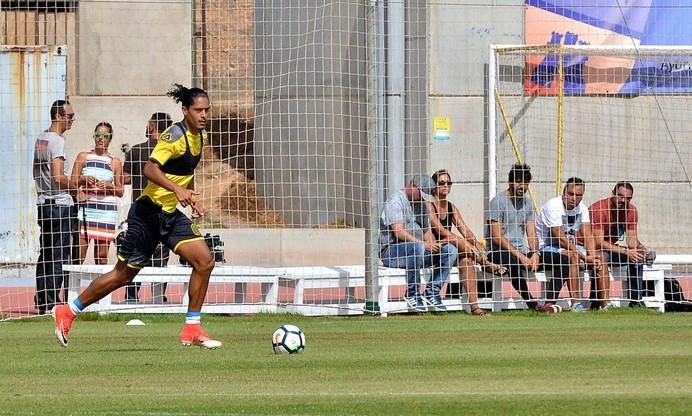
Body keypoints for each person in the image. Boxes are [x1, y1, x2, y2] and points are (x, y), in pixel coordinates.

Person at [52, 84, 221, 348]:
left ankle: (192, 328)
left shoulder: (201, 137)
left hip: (169, 215)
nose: (203, 115)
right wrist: (177, 189)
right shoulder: (173, 136)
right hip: (146, 215)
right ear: (185, 110)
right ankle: (68, 311)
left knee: (205, 261)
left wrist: (189, 196)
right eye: (198, 110)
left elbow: (183, 171)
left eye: (206, 110)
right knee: (122, 276)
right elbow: (150, 169)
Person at [427, 169, 505, 316]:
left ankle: (475, 308)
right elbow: (442, 232)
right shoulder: (429, 206)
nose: (446, 186)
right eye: (442, 183)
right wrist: (466, 244)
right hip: (434, 247)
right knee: (456, 240)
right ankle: (486, 264)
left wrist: (476, 244)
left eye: (449, 183)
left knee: (467, 261)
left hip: (451, 250)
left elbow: (465, 230)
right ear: (434, 186)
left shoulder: (451, 207)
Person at [379, 174, 458, 312]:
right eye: (421, 192)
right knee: (416, 247)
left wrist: (433, 246)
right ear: (413, 186)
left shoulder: (421, 205)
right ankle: (412, 293)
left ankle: (432, 291)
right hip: (392, 252)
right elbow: (398, 232)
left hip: (417, 252)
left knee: (450, 250)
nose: (423, 197)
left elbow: (427, 232)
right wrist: (423, 244)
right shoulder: (396, 200)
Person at [535, 177, 609, 311]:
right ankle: (576, 303)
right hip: (547, 247)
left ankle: (605, 305)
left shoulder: (582, 209)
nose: (574, 198)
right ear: (564, 193)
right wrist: (584, 257)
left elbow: (588, 235)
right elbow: (560, 238)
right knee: (573, 256)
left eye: (578, 195)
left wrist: (592, 256)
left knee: (601, 258)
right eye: (570, 194)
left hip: (570, 247)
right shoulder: (553, 206)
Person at [123, 112, 173, 303]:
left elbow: (124, 178)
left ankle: (131, 297)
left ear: (152, 126)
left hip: (140, 211)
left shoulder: (136, 151)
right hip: (163, 211)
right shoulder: (170, 153)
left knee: (135, 254)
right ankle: (158, 297)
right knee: (160, 258)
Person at [33, 99, 77, 315]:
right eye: (69, 116)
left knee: (46, 253)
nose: (72, 120)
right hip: (59, 203)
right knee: (59, 254)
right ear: (58, 116)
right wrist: (77, 188)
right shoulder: (57, 141)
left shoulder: (41, 138)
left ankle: (42, 299)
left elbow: (36, 171)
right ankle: (52, 302)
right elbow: (58, 176)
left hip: (43, 203)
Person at [486, 164, 546, 312]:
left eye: (526, 182)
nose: (522, 186)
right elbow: (496, 237)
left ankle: (550, 303)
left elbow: (531, 233)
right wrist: (522, 257)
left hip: (521, 251)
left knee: (559, 259)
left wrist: (535, 254)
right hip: (497, 252)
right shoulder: (498, 202)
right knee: (514, 262)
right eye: (519, 181)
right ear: (510, 182)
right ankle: (532, 304)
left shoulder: (527, 203)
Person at [588, 182, 654, 307]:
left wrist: (641, 249)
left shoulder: (631, 210)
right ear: (613, 193)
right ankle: (597, 302)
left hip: (611, 249)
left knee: (637, 257)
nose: (623, 201)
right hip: (590, 248)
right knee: (601, 257)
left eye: (628, 198)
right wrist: (626, 252)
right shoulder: (599, 210)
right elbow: (598, 242)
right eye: (620, 196)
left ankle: (636, 302)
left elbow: (631, 241)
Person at [70, 122, 124, 265]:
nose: (101, 139)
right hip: (86, 210)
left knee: (101, 257)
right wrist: (83, 179)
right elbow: (72, 182)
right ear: (94, 137)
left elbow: (120, 191)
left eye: (105, 136)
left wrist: (109, 185)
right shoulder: (84, 156)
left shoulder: (115, 162)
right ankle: (71, 287)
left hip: (106, 213)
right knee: (78, 255)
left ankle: (99, 287)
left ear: (110, 139)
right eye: (98, 135)